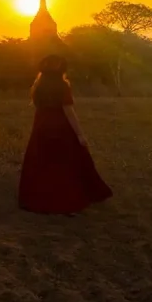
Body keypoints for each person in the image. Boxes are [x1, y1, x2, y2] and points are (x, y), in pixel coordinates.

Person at [19, 54, 112, 215]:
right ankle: (64, 200)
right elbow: (68, 110)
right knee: (63, 164)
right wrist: (80, 134)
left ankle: (39, 198)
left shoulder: (39, 86)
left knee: (42, 162)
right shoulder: (62, 86)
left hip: (41, 127)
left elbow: (38, 106)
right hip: (60, 127)